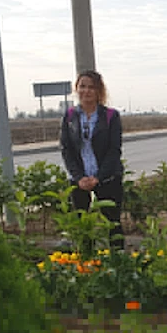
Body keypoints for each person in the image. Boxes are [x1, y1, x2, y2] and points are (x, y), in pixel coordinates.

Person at [60, 70, 125, 248]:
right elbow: (66, 149)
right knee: (82, 226)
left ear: (99, 91)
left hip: (107, 178)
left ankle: (118, 260)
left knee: (112, 223)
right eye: (82, 86)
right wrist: (79, 177)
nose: (86, 91)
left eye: (91, 87)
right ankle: (87, 260)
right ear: (76, 89)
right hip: (79, 180)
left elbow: (114, 150)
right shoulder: (70, 116)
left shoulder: (111, 116)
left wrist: (98, 177)